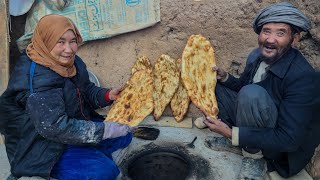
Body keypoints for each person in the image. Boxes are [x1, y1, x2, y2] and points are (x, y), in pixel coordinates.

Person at [0, 14, 132, 179]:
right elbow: (54, 126)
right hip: (41, 145)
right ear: (46, 41)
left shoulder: (71, 63)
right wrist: (101, 131)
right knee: (105, 171)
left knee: (124, 135)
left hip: (68, 127)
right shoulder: (38, 79)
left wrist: (107, 95)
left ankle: (88, 156)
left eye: (73, 41)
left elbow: (85, 90)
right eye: (60, 42)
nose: (68, 49)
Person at [203, 2, 320, 179]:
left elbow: (290, 139)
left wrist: (230, 133)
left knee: (252, 94)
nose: (270, 39)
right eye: (266, 31)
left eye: (280, 33)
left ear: (294, 38)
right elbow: (242, 87)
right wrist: (225, 77)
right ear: (259, 33)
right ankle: (239, 137)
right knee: (215, 84)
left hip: (280, 146)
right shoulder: (256, 56)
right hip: (255, 115)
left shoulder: (303, 77)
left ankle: (252, 155)